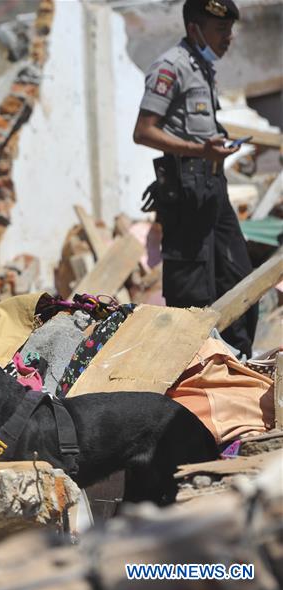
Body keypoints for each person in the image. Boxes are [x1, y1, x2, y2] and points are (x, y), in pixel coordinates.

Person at [133, 0, 256, 356]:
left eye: (230, 30)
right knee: (193, 290)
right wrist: (199, 149)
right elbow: (143, 132)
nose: (228, 38)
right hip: (185, 190)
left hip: (212, 187)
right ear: (195, 29)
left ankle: (239, 364)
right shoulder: (170, 67)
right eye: (221, 30)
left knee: (237, 277)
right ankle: (191, 367)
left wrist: (215, 145)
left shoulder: (203, 67)